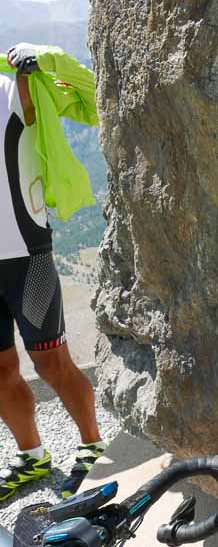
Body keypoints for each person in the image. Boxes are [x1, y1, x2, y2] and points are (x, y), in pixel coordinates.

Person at [0, 43, 106, 500]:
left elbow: (95, 100)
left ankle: (91, 445)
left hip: (27, 255)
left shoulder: (16, 86)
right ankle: (33, 456)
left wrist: (49, 57)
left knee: (51, 362)